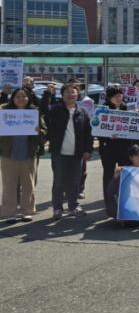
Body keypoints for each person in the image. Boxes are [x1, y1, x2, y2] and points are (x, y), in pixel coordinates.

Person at [41, 83, 93, 220]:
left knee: (75, 181)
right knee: (59, 181)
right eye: (67, 92)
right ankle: (57, 208)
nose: (70, 94)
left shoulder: (82, 112)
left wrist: (88, 150)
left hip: (77, 153)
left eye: (73, 92)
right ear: (62, 95)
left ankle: (73, 206)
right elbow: (43, 110)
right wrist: (47, 93)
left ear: (78, 95)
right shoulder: (56, 109)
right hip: (59, 152)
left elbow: (88, 133)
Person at [0, 89, 45, 223]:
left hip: (28, 153)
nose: (21, 99)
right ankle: (9, 212)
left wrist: (39, 131)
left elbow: (44, 131)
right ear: (12, 98)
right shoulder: (4, 111)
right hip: (8, 154)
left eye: (24, 96)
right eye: (17, 96)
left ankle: (27, 211)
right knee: (9, 184)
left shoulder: (34, 112)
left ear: (28, 98)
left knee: (28, 184)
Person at [98, 84, 133, 215]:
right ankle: (110, 206)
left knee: (125, 174)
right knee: (108, 175)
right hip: (108, 148)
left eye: (120, 95)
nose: (119, 98)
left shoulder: (127, 108)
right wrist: (107, 135)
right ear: (109, 98)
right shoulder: (103, 110)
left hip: (124, 147)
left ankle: (124, 203)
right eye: (115, 96)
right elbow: (96, 129)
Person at [105, 144, 139, 223]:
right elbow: (110, 191)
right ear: (131, 158)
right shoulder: (124, 172)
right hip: (129, 205)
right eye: (137, 156)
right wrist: (115, 177)